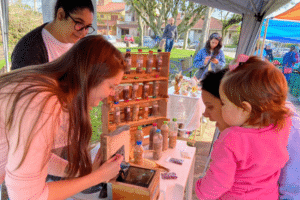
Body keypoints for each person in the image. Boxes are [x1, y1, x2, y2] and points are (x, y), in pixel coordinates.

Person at [0, 35, 125, 199]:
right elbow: (28, 196)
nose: (112, 94)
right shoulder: (43, 102)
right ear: (91, 76)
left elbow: (38, 157)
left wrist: (85, 171)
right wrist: (97, 177)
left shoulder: (45, 87)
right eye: (111, 86)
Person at [195, 56, 292, 199]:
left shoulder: (231, 138)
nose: (222, 109)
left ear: (245, 108)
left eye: (224, 103)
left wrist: (200, 190)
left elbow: (217, 183)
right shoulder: (282, 124)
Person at [11, 0, 94, 70]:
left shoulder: (80, 44)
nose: (83, 33)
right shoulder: (28, 50)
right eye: (79, 24)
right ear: (60, 15)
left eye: (87, 27)